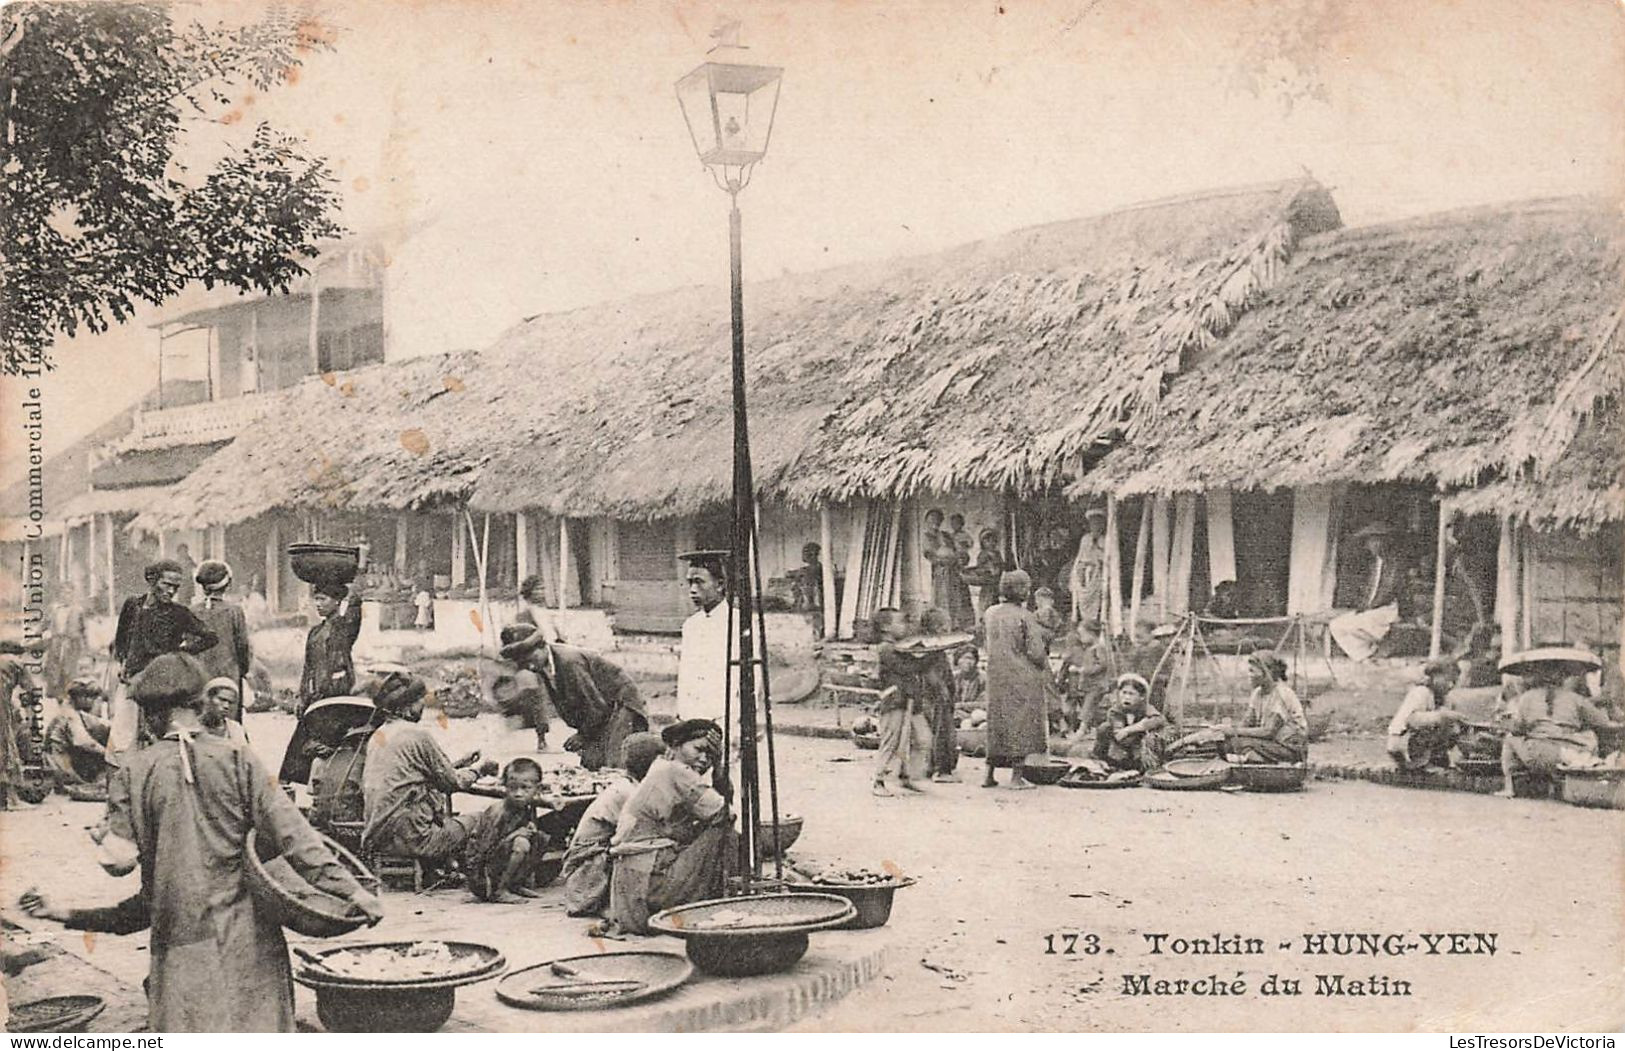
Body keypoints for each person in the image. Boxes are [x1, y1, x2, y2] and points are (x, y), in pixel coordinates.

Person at [19, 653, 381, 1032]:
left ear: (150, 714)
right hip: (250, 940)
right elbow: (296, 837)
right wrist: (355, 894)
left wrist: (101, 844)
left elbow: (120, 861)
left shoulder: (135, 770)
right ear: (201, 703)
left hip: (181, 943)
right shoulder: (240, 758)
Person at [604, 719, 733, 936]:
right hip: (649, 880)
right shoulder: (676, 771)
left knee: (707, 831)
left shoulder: (662, 767)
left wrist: (718, 765)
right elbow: (725, 813)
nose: (704, 759)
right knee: (727, 834)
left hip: (632, 887)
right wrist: (719, 765)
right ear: (675, 745)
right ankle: (721, 904)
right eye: (699, 749)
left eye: (711, 755)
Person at [361, 675, 497, 863]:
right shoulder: (417, 734)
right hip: (413, 839)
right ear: (406, 706)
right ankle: (481, 876)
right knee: (485, 818)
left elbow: (415, 773)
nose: (422, 706)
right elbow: (452, 783)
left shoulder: (379, 734)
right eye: (419, 701)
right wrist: (480, 770)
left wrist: (460, 764)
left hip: (378, 836)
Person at [498, 623, 649, 771]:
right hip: (603, 709)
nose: (529, 667)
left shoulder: (569, 662)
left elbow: (594, 705)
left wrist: (583, 736)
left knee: (614, 760)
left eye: (530, 659)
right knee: (591, 761)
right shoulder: (543, 664)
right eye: (523, 664)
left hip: (622, 703)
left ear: (542, 646)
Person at [110, 560, 220, 760]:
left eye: (176, 587)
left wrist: (180, 652)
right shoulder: (132, 605)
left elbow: (210, 637)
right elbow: (121, 638)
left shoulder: (179, 613)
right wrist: (122, 662)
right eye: (166, 584)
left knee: (157, 735)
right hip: (130, 680)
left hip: (159, 682)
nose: (171, 591)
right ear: (152, 580)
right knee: (122, 737)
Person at [561, 731, 665, 917]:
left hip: (592, 866)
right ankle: (617, 905)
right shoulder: (626, 792)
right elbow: (644, 832)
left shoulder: (633, 786)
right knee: (641, 851)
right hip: (588, 872)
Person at [1496, 652, 1622, 799]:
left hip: (1539, 756)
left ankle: (1509, 787)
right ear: (1564, 677)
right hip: (1574, 754)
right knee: (1589, 734)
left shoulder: (1526, 698)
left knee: (1510, 739)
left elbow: (1517, 728)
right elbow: (1602, 723)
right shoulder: (1576, 699)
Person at [982, 570, 1049, 789]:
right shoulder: (1025, 616)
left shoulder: (990, 613)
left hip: (996, 675)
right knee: (1021, 722)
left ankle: (989, 774)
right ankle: (1016, 777)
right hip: (1021, 676)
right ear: (1022, 591)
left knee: (997, 720)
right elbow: (1036, 652)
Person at [463, 757, 549, 902]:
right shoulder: (498, 812)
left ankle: (514, 884)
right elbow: (484, 852)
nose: (518, 793)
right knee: (521, 843)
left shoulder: (523, 807)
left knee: (540, 838)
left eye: (525, 788)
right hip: (482, 876)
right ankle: (499, 891)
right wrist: (515, 835)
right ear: (504, 786)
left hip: (497, 862)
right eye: (512, 788)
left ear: (538, 789)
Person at [870, 608, 935, 796]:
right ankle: (878, 780)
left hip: (911, 699)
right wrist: (930, 655)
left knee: (922, 738)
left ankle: (906, 776)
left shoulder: (900, 646)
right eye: (900, 622)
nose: (905, 626)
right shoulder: (886, 648)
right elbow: (907, 668)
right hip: (894, 700)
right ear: (885, 627)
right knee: (891, 741)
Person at [1328, 522, 1411, 662]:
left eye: (1373, 541)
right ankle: (1365, 655)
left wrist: (1368, 608)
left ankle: (1369, 654)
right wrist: (1362, 607)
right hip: (1375, 609)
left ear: (1383, 542)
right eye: (1368, 542)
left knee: (1348, 625)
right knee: (1336, 625)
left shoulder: (1394, 563)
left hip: (1388, 609)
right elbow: (1370, 591)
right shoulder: (1375, 564)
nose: (1369, 545)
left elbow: (1389, 591)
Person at [675, 551, 735, 728]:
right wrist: (681, 716)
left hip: (724, 719)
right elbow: (686, 675)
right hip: (692, 717)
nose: (693, 589)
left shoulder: (737, 623)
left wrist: (733, 723)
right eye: (690, 583)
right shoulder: (691, 626)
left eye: (700, 582)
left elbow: (749, 683)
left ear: (720, 584)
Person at [191, 560, 252, 721]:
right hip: (228, 675)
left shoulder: (192, 611)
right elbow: (243, 646)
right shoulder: (234, 611)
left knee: (201, 719)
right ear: (227, 585)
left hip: (199, 676)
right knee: (228, 720)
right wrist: (244, 670)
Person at [1225, 653, 1310, 764]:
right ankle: (1255, 759)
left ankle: (1266, 762)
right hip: (1270, 745)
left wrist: (1233, 731)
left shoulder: (1282, 694)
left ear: (1267, 673)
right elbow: (1246, 723)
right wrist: (1225, 731)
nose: (1249, 675)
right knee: (1229, 743)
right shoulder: (1257, 693)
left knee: (1241, 743)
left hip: (1289, 747)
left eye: (1252, 671)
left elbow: (1268, 731)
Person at [1385, 657, 1466, 771]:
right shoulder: (1421, 692)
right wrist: (1442, 715)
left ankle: (1435, 759)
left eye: (1454, 682)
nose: (1450, 685)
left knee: (1453, 728)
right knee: (1440, 722)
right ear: (1434, 676)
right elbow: (1412, 720)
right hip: (1402, 742)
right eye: (1447, 680)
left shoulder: (1447, 698)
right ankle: (1418, 763)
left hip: (1423, 740)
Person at [299, 581, 363, 714]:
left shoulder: (344, 628)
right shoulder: (315, 632)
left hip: (338, 695)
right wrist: (303, 697)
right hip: (316, 695)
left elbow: (354, 607)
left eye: (323, 599)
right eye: (316, 599)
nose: (318, 604)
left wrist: (352, 588)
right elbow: (308, 667)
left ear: (337, 601)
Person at [1091, 673, 1168, 771]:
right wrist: (1140, 727)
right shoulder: (1115, 711)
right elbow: (1120, 737)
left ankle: (1150, 765)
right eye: (1124, 692)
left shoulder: (1145, 708)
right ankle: (1100, 760)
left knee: (1154, 735)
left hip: (1140, 750)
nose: (1126, 697)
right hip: (1122, 749)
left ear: (1141, 697)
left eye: (1131, 694)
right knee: (1104, 727)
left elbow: (1159, 719)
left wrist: (1131, 729)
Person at [44, 677, 111, 787]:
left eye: (93, 697)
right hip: (59, 760)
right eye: (88, 697)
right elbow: (82, 741)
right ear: (78, 697)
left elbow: (97, 722)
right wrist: (108, 753)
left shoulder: (74, 711)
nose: (92, 701)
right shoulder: (69, 714)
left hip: (61, 758)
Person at [924, 509, 975, 631]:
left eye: (937, 520)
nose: (935, 523)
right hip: (942, 572)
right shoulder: (927, 537)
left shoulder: (946, 536)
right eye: (932, 520)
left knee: (958, 597)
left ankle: (959, 624)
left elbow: (960, 551)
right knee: (943, 597)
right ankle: (944, 625)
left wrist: (961, 558)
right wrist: (945, 560)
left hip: (954, 571)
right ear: (927, 521)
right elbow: (931, 555)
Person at [1056, 620, 1111, 733]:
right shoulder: (1088, 649)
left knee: (1087, 708)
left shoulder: (1098, 648)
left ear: (1091, 634)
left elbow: (1102, 665)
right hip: (1090, 685)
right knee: (1090, 707)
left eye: (1082, 635)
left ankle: (1080, 732)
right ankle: (1093, 729)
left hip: (1097, 685)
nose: (1081, 638)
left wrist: (1082, 670)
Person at [43, 585, 88, 700]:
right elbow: (45, 624)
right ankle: (56, 694)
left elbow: (83, 630)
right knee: (55, 668)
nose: (67, 596)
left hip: (72, 643)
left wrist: (86, 646)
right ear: (60, 594)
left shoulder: (78, 610)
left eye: (69, 593)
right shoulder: (54, 609)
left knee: (70, 669)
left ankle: (70, 694)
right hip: (57, 642)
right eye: (64, 593)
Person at [1068, 506, 1109, 626]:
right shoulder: (1085, 539)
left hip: (1098, 571)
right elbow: (1080, 556)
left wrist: (1098, 550)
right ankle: (1078, 617)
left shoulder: (1105, 540)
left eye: (1098, 523)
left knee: (1095, 580)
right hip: (1084, 569)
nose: (1095, 526)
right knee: (1077, 580)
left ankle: (1093, 619)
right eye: (1093, 523)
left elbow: (1106, 558)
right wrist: (1076, 570)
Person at [960, 528, 1006, 623]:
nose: (991, 543)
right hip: (987, 583)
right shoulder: (983, 554)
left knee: (995, 604)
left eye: (993, 540)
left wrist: (998, 568)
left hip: (995, 583)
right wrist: (985, 570)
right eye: (987, 541)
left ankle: (993, 623)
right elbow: (980, 568)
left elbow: (1000, 566)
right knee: (985, 603)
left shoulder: (997, 554)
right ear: (983, 543)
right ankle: (983, 623)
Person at [200, 677, 251, 746]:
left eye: (230, 702)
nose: (226, 706)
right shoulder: (191, 728)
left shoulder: (236, 730)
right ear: (208, 699)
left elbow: (245, 754)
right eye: (222, 699)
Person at [514, 574, 563, 642]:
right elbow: (545, 633)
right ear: (529, 591)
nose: (541, 592)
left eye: (542, 589)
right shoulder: (528, 610)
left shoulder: (541, 609)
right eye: (537, 589)